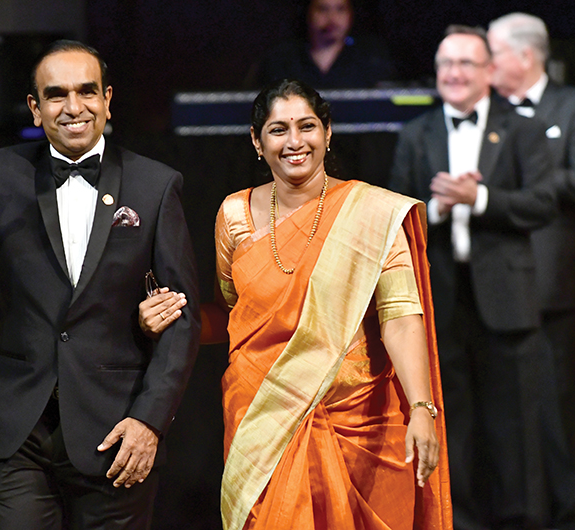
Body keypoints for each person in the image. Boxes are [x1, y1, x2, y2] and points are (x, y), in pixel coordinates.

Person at [0, 40, 201, 530]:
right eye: (56, 94)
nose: (74, 107)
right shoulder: (2, 174)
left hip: (116, 429)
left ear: (108, 99)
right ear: (35, 106)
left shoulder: (154, 186)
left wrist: (150, 420)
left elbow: (182, 319)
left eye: (87, 92)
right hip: (18, 429)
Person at [142, 78, 451, 529]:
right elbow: (234, 316)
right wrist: (168, 317)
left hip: (361, 421)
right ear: (256, 141)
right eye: (278, 129)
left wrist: (422, 409)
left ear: (327, 132)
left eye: (306, 126)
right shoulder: (234, 215)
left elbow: (401, 318)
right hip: (263, 420)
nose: (294, 142)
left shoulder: (371, 214)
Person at [388, 25, 557, 530]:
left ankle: (518, 520)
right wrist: (438, 207)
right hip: (440, 302)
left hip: (507, 302)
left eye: (466, 64)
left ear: (489, 71)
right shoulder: (415, 134)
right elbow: (395, 215)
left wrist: (479, 200)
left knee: (513, 426)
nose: (454, 74)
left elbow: (544, 202)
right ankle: (456, 521)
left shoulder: (523, 128)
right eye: (446, 65)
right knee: (450, 422)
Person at [488, 16, 575, 522]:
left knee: (556, 411)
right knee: (510, 417)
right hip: (498, 286)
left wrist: (533, 181)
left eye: (493, 54)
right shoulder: (491, 114)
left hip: (554, 283)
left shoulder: (569, 105)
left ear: (525, 56)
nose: (486, 65)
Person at [247, 0, 394, 89]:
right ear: (308, 12)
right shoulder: (281, 59)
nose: (332, 19)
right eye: (322, 9)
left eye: (340, 9)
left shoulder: (370, 59)